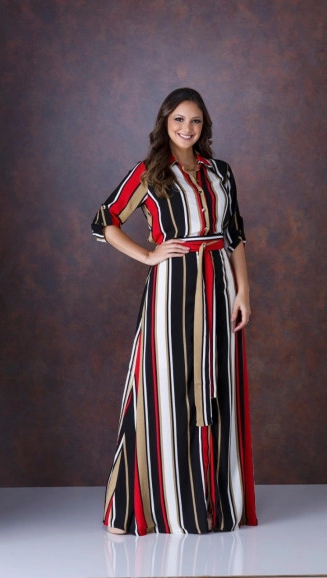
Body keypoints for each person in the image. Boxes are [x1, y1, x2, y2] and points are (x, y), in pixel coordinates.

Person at [91, 87, 258, 535]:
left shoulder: (220, 172)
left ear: (205, 126)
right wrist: (148, 255)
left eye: (196, 121)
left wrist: (244, 291)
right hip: (171, 290)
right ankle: (139, 505)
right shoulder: (149, 173)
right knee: (163, 387)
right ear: (165, 122)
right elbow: (104, 221)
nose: (187, 128)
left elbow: (235, 234)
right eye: (179, 120)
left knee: (215, 387)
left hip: (220, 287)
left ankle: (208, 502)